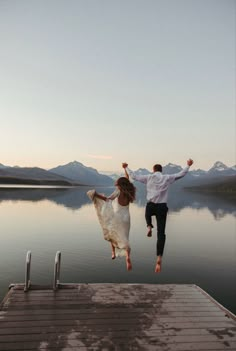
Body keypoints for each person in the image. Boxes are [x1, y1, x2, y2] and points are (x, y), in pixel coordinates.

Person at [122, 159, 194, 273]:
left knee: (147, 213)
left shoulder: (148, 177)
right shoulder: (167, 178)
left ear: (153, 170)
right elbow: (181, 174)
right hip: (162, 207)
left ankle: (149, 226)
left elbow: (134, 176)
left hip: (151, 206)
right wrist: (188, 166)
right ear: (161, 170)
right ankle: (159, 257)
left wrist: (126, 167)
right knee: (161, 233)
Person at [87, 172, 136, 271]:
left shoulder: (118, 191)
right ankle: (128, 257)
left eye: (117, 184)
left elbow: (107, 199)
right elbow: (127, 179)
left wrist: (96, 195)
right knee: (124, 237)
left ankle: (113, 252)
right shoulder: (130, 191)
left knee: (111, 232)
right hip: (126, 218)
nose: (116, 185)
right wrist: (125, 169)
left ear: (120, 185)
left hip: (117, 216)